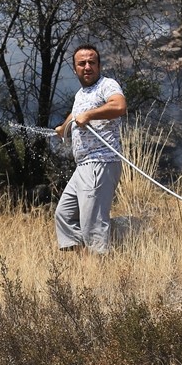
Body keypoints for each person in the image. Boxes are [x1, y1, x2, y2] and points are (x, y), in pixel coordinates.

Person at [53, 44, 127, 254]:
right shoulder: (81, 94)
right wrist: (63, 128)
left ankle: (98, 268)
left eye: (91, 63)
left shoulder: (107, 85)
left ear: (99, 65)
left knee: (92, 222)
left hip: (100, 162)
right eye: (82, 63)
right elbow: (78, 114)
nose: (87, 67)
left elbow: (119, 106)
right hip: (83, 166)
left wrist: (90, 115)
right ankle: (82, 264)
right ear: (75, 68)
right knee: (64, 215)